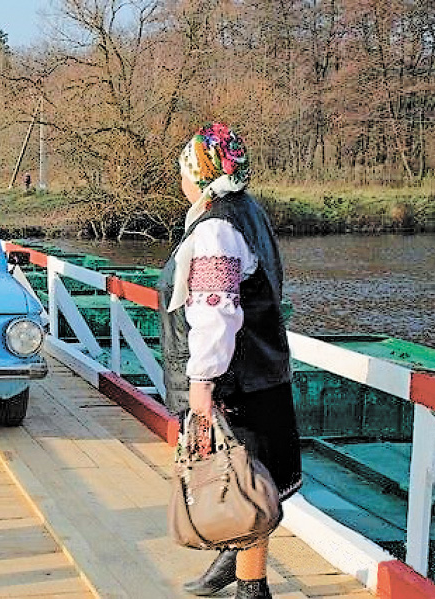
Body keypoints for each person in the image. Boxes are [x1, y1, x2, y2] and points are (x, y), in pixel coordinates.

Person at [159, 123, 301, 599]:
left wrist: (202, 379)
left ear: (200, 174)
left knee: (240, 476)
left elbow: (215, 309)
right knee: (248, 475)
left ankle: (250, 585)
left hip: (232, 376)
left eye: (183, 169)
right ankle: (236, 566)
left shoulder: (217, 226)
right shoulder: (247, 211)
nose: (179, 179)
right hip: (260, 370)